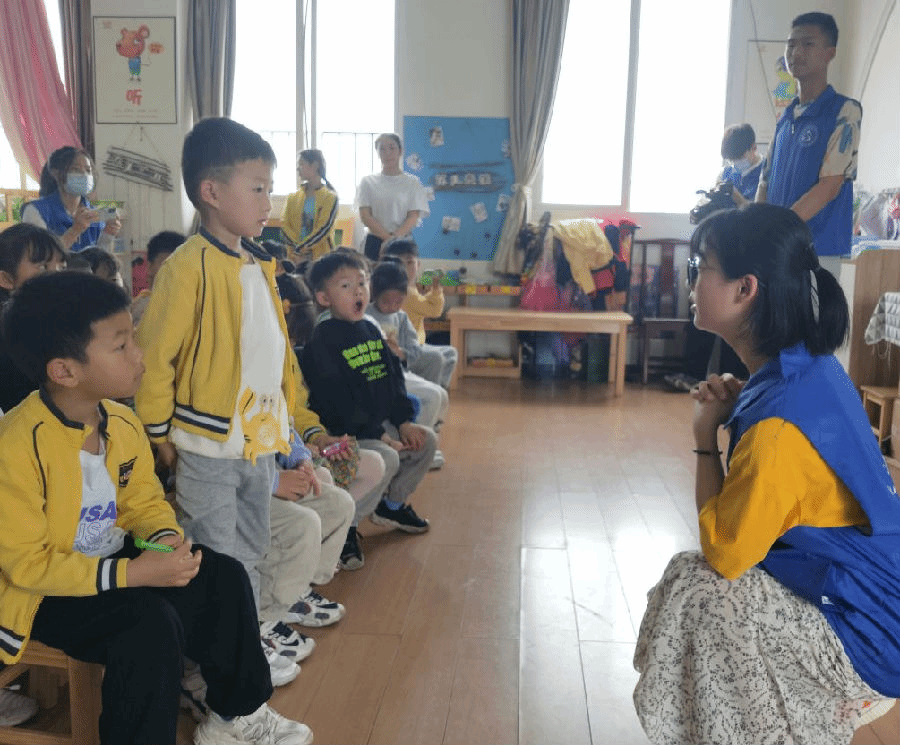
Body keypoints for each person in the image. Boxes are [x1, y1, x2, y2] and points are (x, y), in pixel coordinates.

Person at [0, 271, 312, 745]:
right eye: (121, 345)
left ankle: (235, 717)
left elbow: (142, 503)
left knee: (221, 576)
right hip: (40, 593)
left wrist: (164, 538)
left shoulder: (122, 423)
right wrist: (134, 574)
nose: (140, 354)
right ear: (65, 371)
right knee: (146, 626)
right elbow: (27, 565)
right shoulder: (16, 447)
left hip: (110, 563)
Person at [633, 203, 900, 745]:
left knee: (706, 596)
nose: (690, 281)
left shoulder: (776, 429)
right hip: (870, 602)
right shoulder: (804, 367)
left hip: (871, 639)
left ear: (744, 289)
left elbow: (725, 555)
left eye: (700, 268)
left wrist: (704, 438)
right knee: (690, 579)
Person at [134, 117, 303, 686]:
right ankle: (203, 676)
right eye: (257, 188)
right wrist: (157, 435)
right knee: (213, 560)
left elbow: (273, 354)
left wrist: (285, 424)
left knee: (250, 551)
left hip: (257, 442)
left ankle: (241, 649)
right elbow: (155, 359)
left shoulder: (256, 262)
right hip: (206, 445)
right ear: (211, 191)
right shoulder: (187, 267)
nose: (268, 203)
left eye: (269, 189)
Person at [300, 252, 437, 567]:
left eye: (362, 283)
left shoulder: (371, 330)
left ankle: (391, 506)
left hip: (375, 426)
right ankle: (345, 528)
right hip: (344, 433)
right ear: (324, 298)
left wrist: (403, 422)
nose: (358, 291)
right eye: (346, 286)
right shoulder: (323, 340)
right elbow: (337, 404)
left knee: (425, 441)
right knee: (387, 457)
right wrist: (381, 436)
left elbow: (393, 381)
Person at [276, 271, 389, 571]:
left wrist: (318, 437)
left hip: (299, 446)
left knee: (374, 464)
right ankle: (309, 561)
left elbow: (296, 408)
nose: (290, 344)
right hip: (272, 459)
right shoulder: (251, 358)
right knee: (322, 481)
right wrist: (298, 451)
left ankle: (330, 541)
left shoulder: (285, 352)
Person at [756, 12, 862, 257]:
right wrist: (758, 227)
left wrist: (778, 229)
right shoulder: (785, 119)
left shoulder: (844, 111)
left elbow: (830, 185)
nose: (796, 53)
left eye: (808, 44)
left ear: (830, 53)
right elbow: (765, 181)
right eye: (791, 45)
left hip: (818, 252)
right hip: (776, 249)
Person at [367, 258, 448, 470]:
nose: (392, 307)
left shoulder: (401, 318)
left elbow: (414, 348)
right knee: (432, 396)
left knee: (441, 394)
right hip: (376, 374)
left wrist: (401, 353)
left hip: (398, 372)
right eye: (386, 302)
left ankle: (421, 442)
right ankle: (413, 447)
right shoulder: (366, 314)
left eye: (398, 302)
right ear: (374, 293)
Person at [0, 224, 67, 413]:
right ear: (6, 279)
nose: (57, 275)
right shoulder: (16, 332)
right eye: (43, 267)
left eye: (62, 267)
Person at [382, 239, 457, 389]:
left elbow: (422, 304)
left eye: (410, 262)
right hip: (407, 348)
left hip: (411, 344)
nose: (405, 268)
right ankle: (433, 388)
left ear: (418, 264)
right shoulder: (407, 293)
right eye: (400, 263)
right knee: (442, 356)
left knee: (449, 353)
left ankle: (436, 387)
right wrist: (436, 289)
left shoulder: (403, 289)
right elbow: (434, 311)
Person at [21, 146, 122, 252]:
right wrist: (75, 231)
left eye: (88, 170)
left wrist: (108, 234)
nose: (84, 175)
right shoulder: (36, 210)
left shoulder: (93, 214)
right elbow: (40, 255)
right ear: (55, 173)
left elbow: (98, 257)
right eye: (76, 169)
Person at [355, 133, 429, 261]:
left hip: (402, 241)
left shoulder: (412, 183)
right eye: (382, 149)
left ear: (400, 151)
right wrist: (387, 239)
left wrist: (394, 239)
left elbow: (413, 216)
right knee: (374, 274)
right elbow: (365, 216)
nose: (387, 153)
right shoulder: (367, 182)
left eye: (392, 148)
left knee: (402, 274)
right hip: (375, 241)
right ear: (377, 153)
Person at [281, 149, 338, 262]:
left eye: (301, 164)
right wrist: (297, 250)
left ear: (315, 165)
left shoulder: (330, 197)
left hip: (320, 259)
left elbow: (324, 229)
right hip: (294, 259)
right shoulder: (293, 197)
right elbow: (284, 226)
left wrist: (301, 248)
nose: (298, 168)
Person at [131, 230, 185, 326]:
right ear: (149, 266)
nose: (174, 272)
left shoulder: (190, 305)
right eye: (166, 265)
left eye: (181, 265)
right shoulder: (141, 309)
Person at [718, 123, 763, 204]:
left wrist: (738, 198)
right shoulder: (726, 173)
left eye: (740, 158)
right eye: (732, 160)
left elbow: (762, 209)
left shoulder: (766, 173)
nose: (736, 163)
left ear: (754, 148)